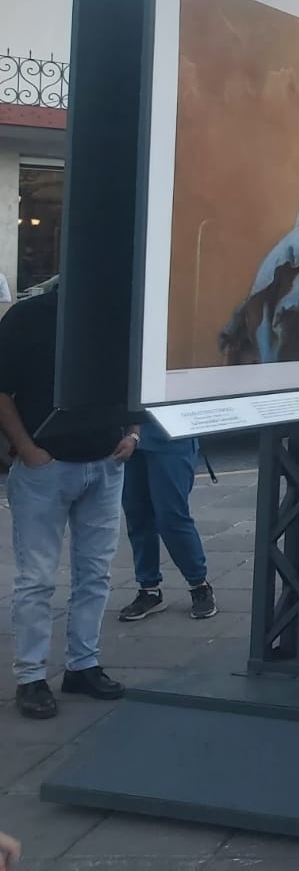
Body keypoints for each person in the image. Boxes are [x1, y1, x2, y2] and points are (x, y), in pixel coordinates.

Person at [0, 281, 137, 720]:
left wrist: (133, 434)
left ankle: (82, 664)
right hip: (47, 465)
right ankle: (31, 676)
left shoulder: (118, 316)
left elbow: (137, 378)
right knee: (37, 578)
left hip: (105, 459)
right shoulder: (29, 316)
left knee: (95, 573)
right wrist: (26, 448)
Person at [116, 429, 217, 622]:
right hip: (129, 436)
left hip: (170, 435)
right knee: (137, 516)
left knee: (172, 516)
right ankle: (149, 589)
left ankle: (199, 585)